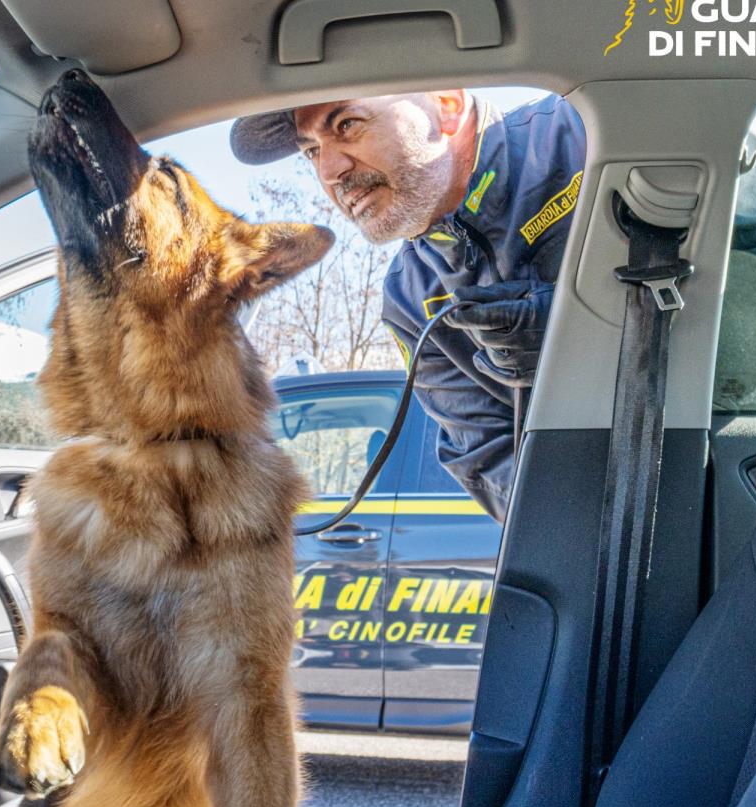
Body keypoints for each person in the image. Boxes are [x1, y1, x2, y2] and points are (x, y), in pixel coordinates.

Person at [232, 91, 585, 521]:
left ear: (447, 105)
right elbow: (489, 459)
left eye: (347, 125)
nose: (329, 171)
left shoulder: (578, 135)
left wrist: (580, 336)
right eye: (311, 151)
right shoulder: (409, 299)